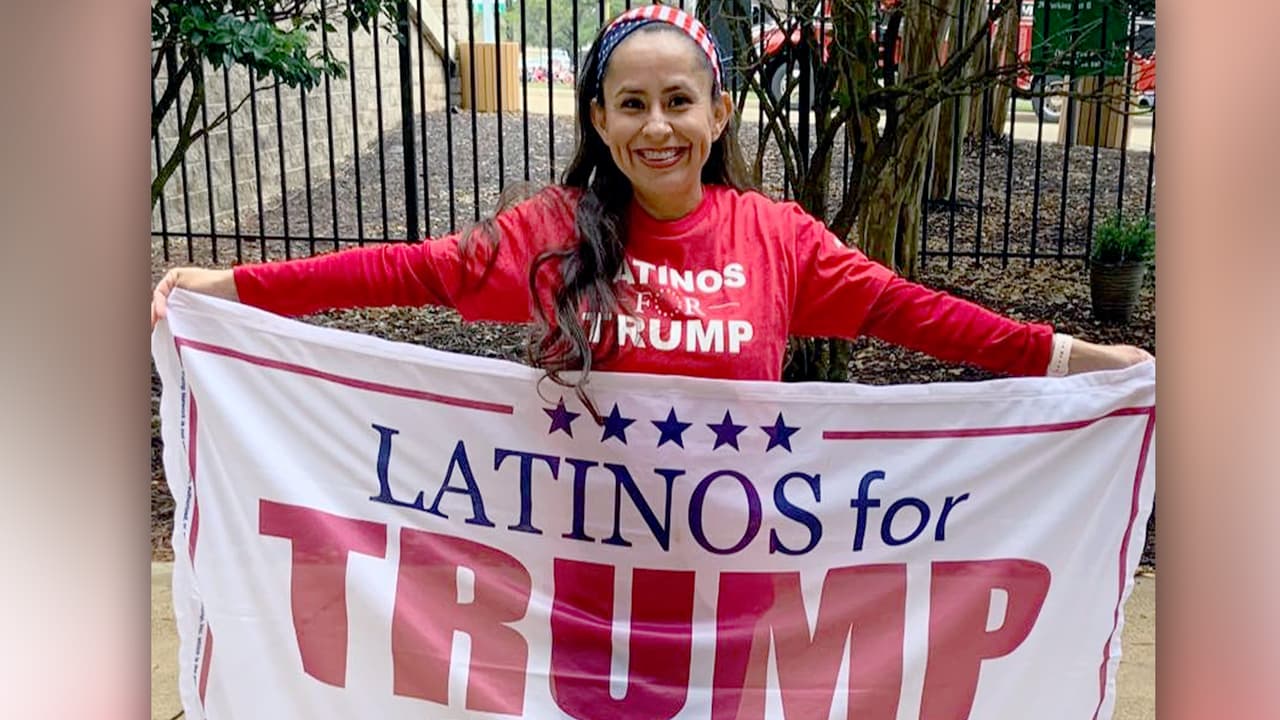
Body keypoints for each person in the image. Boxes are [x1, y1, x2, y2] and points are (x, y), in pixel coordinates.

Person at [151, 4, 1152, 405]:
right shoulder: (550, 231)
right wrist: (230, 287)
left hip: (733, 586)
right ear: (598, 117)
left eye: (679, 101)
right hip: (578, 579)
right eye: (631, 104)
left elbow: (914, 313)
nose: (657, 126)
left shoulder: (779, 240)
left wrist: (1075, 359)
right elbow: (404, 271)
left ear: (719, 113)